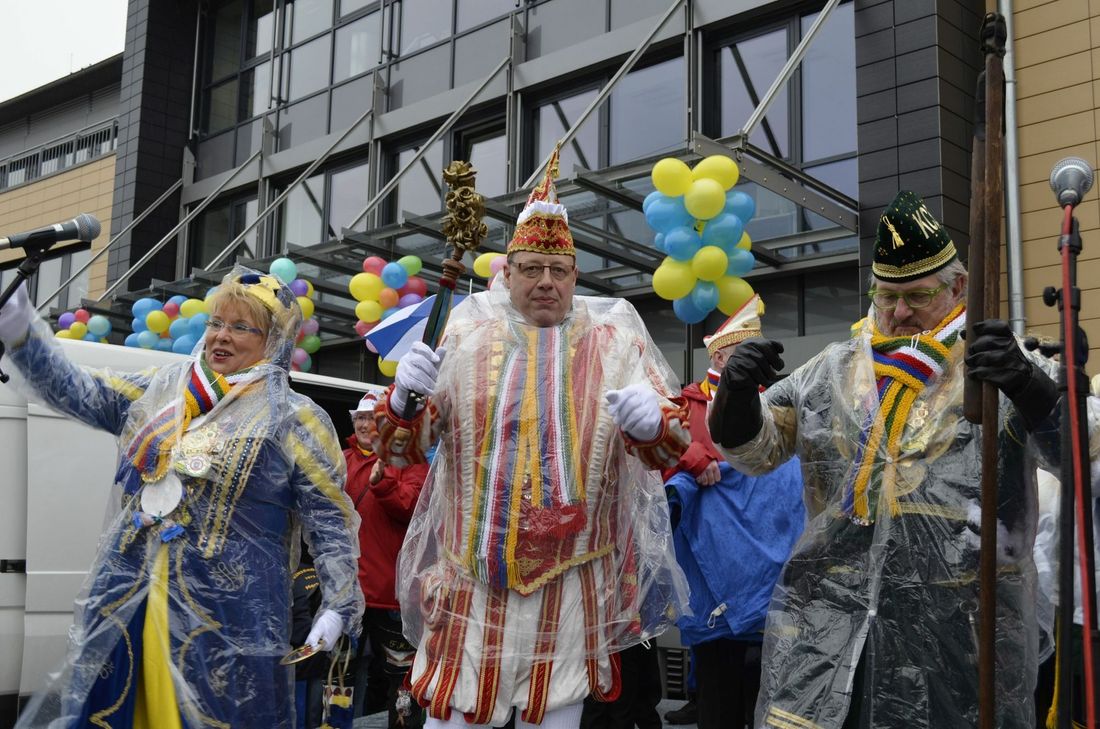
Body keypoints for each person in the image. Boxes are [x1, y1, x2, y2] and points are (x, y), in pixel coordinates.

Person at [708, 190, 1071, 729]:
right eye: (887, 296)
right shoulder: (831, 370)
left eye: (918, 296)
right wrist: (735, 395)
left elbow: (1082, 455)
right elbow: (754, 449)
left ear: (959, 288)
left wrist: (1030, 386)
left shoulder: (1003, 362)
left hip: (960, 630)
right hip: (830, 624)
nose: (899, 312)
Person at [373, 147, 691, 729]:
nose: (546, 282)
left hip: (571, 587)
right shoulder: (465, 334)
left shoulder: (616, 342)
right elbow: (400, 451)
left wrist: (653, 428)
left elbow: (671, 449)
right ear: (508, 273)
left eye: (558, 270)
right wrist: (403, 403)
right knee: (457, 716)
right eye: (531, 269)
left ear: (574, 276)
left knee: (553, 717)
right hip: (472, 584)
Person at [0, 267, 363, 728]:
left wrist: (339, 603)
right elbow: (81, 392)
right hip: (129, 599)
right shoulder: (163, 392)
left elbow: (330, 521)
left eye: (240, 327)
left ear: (273, 341)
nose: (221, 336)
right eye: (216, 322)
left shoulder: (295, 418)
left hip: (227, 617)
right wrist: (22, 335)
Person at [663, 295, 805, 729]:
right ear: (721, 357)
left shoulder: (780, 404)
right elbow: (656, 461)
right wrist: (693, 461)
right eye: (746, 352)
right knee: (719, 692)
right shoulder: (684, 405)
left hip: (774, 579)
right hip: (716, 576)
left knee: (769, 696)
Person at [343, 387, 429, 727]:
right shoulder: (341, 460)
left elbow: (411, 507)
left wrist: (384, 480)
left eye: (372, 418)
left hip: (390, 598)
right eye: (360, 419)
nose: (365, 425)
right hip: (348, 595)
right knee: (340, 675)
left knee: (399, 684)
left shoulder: (413, 462)